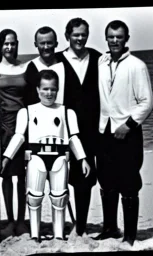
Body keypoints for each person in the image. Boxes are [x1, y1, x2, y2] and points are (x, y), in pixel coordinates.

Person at [1, 69, 91, 242]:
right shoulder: (26, 112)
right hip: (36, 157)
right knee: (34, 198)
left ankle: (58, 234)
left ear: (57, 90)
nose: (49, 93)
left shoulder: (67, 112)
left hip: (59, 158)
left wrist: (82, 159)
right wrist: (7, 156)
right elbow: (19, 137)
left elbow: (73, 138)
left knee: (60, 198)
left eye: (53, 89)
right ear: (37, 90)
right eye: (45, 89)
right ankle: (35, 234)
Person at [96, 20, 153, 246]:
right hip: (104, 131)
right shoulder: (102, 63)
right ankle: (110, 228)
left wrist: (127, 126)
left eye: (119, 37)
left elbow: (147, 102)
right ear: (106, 38)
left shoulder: (137, 65)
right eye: (111, 36)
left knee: (129, 183)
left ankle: (130, 236)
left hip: (127, 134)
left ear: (127, 38)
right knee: (106, 182)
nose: (115, 40)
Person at [55, 17, 101, 236]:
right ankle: (61, 224)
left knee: (86, 177)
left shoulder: (98, 59)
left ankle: (80, 226)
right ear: (67, 36)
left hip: (92, 130)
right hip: (64, 129)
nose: (80, 38)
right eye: (76, 35)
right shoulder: (56, 60)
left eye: (83, 34)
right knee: (62, 177)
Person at [0, 28, 31, 237]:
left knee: (23, 176)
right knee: (6, 176)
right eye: (6, 43)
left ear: (17, 45)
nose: (9, 47)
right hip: (4, 126)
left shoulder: (25, 68)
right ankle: (9, 221)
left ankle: (21, 221)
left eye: (13, 43)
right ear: (0, 46)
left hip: (24, 125)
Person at [25, 26, 65, 105]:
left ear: (56, 44)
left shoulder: (66, 65)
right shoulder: (30, 67)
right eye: (42, 43)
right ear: (36, 44)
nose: (46, 47)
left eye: (49, 43)